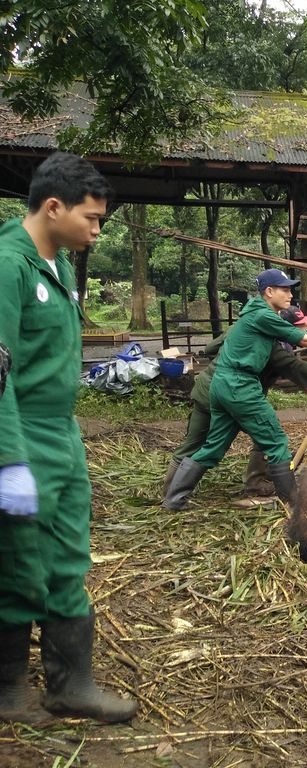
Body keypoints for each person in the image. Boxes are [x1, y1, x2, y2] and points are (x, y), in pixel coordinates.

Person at [0, 152, 138, 723]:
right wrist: (8, 460)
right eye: (92, 218)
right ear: (52, 207)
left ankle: (71, 684)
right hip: (20, 433)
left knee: (66, 557)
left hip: (61, 436)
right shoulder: (8, 266)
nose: (97, 230)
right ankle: (8, 691)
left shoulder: (54, 265)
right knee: (17, 560)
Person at [162, 269, 307, 511]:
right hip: (240, 384)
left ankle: (173, 500)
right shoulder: (263, 315)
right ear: (269, 292)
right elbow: (304, 339)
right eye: (285, 289)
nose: (290, 295)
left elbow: (299, 344)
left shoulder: (253, 315)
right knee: (277, 443)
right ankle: (293, 505)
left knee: (214, 446)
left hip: (222, 384)